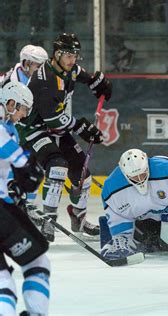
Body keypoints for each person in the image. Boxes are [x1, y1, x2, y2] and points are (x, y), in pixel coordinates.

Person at [16, 33, 112, 242]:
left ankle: (79, 218)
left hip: (58, 129)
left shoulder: (69, 68)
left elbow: (81, 74)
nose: (72, 59)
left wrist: (96, 82)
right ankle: (49, 220)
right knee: (58, 166)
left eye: (75, 55)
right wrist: (81, 126)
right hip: (35, 131)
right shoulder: (45, 79)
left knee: (83, 174)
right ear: (56, 55)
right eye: (67, 55)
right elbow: (52, 119)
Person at [0, 81, 49, 316]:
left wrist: (12, 184)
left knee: (2, 283)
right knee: (38, 264)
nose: (22, 116)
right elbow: (28, 171)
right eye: (22, 110)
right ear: (10, 103)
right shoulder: (3, 130)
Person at [0, 44, 49, 227]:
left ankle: (26, 204)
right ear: (26, 63)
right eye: (38, 66)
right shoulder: (11, 84)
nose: (40, 71)